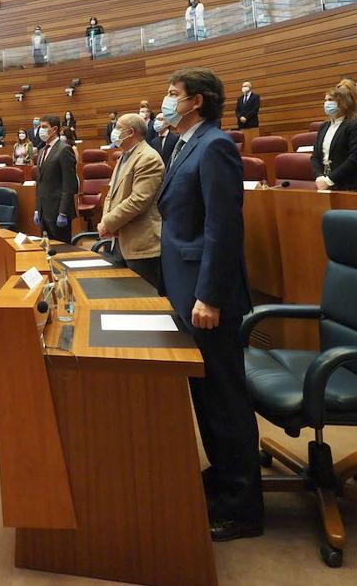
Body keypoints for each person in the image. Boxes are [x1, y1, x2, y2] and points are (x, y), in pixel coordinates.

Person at [155, 67, 262, 541]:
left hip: (207, 296)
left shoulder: (215, 144)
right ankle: (221, 480)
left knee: (224, 401)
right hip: (186, 287)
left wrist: (209, 296)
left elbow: (223, 228)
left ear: (195, 101)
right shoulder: (182, 144)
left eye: (173, 94)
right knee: (206, 395)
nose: (165, 99)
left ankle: (243, 509)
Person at [98, 113, 164, 292]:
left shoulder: (149, 157)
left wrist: (109, 222)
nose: (114, 131)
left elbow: (138, 200)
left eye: (118, 128)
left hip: (141, 244)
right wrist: (106, 222)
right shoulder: (124, 156)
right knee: (123, 296)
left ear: (131, 132)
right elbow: (111, 194)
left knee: (143, 301)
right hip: (120, 241)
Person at [312, 80, 357, 191]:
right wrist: (319, 177)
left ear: (343, 103)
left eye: (330, 100)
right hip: (325, 185)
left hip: (350, 186)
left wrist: (329, 180)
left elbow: (354, 158)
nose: (326, 103)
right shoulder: (324, 126)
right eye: (325, 100)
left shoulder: (355, 125)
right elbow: (315, 156)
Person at [33, 114, 78, 242]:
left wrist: (63, 212)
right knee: (48, 250)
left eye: (44, 127)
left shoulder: (64, 149)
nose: (41, 130)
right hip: (44, 211)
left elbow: (69, 184)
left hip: (58, 211)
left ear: (54, 129)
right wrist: (37, 209)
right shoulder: (42, 151)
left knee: (62, 252)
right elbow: (40, 182)